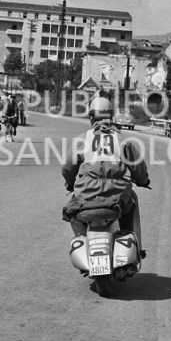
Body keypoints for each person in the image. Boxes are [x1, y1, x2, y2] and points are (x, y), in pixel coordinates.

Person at [61, 94, 150, 257]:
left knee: (70, 209)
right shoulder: (122, 140)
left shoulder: (82, 140)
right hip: (117, 197)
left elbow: (67, 167)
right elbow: (138, 167)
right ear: (111, 117)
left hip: (86, 197)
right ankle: (132, 246)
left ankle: (83, 240)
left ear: (90, 117)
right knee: (133, 200)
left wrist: (70, 182)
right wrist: (143, 181)